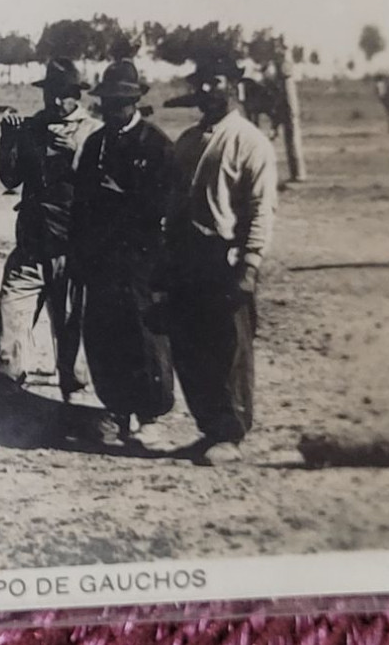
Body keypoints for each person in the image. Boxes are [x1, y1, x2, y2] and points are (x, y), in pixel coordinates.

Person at [164, 54, 279, 464]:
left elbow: (261, 208)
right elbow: (172, 202)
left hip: (224, 259)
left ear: (233, 84)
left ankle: (231, 434)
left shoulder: (250, 141)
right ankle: (209, 427)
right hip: (186, 259)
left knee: (229, 348)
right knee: (189, 348)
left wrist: (249, 266)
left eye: (215, 82)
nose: (206, 90)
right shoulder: (188, 141)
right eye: (201, 82)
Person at [69, 58, 176, 445]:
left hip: (141, 261)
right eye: (107, 102)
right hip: (100, 260)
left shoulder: (158, 145)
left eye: (121, 102)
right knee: (102, 335)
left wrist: (125, 199)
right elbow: (79, 204)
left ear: (135, 102)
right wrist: (79, 255)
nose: (113, 110)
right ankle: (116, 411)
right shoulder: (96, 143)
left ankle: (150, 415)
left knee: (142, 336)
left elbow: (164, 206)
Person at [0, 57, 100, 399]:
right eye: (51, 92)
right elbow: (10, 177)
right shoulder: (33, 127)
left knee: (72, 334)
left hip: (74, 249)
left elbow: (107, 187)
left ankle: (75, 398)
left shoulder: (92, 131)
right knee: (10, 323)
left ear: (76, 95)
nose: (56, 101)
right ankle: (1, 396)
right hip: (32, 246)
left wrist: (78, 156)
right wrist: (8, 140)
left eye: (64, 94)